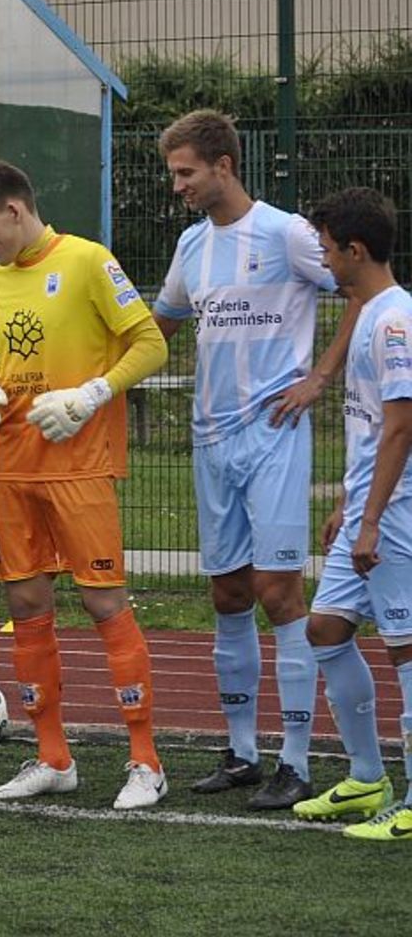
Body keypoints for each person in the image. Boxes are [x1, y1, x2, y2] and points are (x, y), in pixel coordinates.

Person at [151, 110, 356, 808]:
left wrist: (319, 378)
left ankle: (295, 760)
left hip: (273, 433)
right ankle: (240, 752)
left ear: (222, 166)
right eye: (172, 173)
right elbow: (161, 326)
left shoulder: (285, 232)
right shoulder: (189, 245)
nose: (176, 185)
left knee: (277, 592)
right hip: (210, 439)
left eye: (184, 172)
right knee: (227, 593)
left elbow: (362, 289)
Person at [0, 160, 169, 809]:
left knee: (104, 606)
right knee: (24, 610)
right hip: (12, 466)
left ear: (14, 210)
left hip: (78, 467)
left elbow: (151, 343)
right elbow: (13, 354)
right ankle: (52, 757)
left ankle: (145, 763)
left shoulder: (86, 261)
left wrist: (92, 392)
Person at [291, 187, 412, 840]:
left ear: (354, 250)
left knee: (405, 648)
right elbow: (369, 428)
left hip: (395, 512)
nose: (323, 260)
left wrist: (368, 519)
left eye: (327, 249)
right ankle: (367, 779)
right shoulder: (367, 314)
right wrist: (344, 501)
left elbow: (400, 428)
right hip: (368, 503)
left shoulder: (394, 321)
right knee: (325, 629)